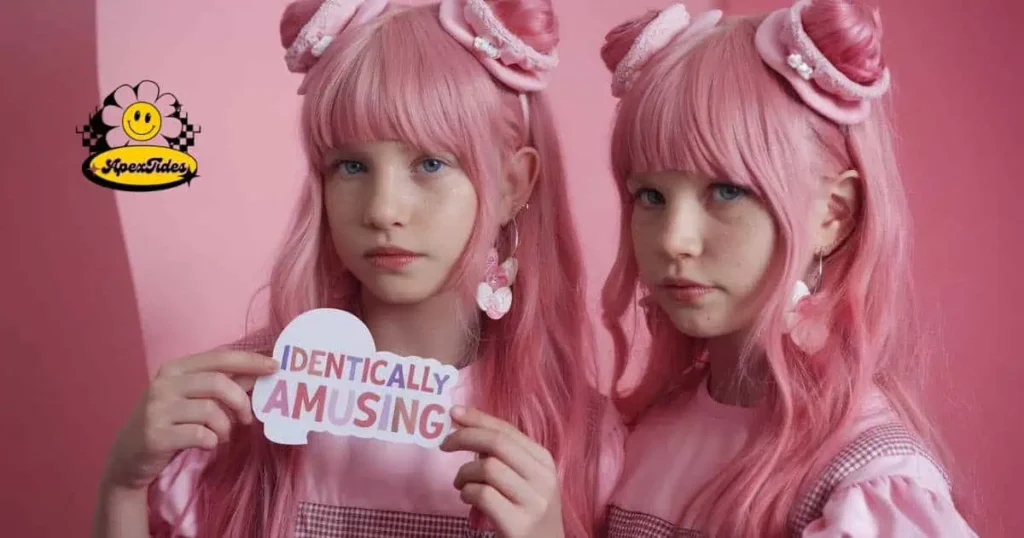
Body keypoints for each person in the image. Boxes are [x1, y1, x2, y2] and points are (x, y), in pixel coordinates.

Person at [91, 0, 624, 536]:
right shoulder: (239, 411)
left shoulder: (579, 440)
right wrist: (123, 486)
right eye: (351, 165)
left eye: (430, 164)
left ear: (513, 185)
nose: (382, 210)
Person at [597, 0, 977, 536]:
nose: (673, 239)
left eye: (727, 191)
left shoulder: (866, 480)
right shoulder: (646, 432)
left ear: (833, 214)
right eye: (651, 195)